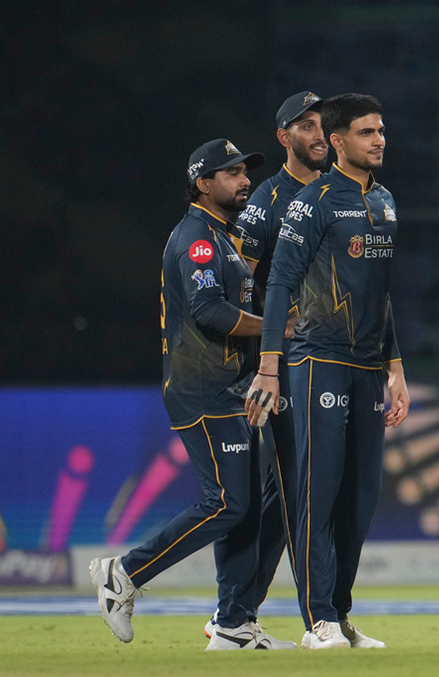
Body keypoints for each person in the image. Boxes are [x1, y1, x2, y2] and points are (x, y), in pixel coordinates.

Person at [89, 139, 297, 650]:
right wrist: (279, 330)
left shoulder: (221, 237)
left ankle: (232, 626)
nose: (244, 180)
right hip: (202, 389)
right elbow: (211, 313)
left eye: (245, 171)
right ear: (203, 184)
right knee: (226, 502)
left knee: (244, 508)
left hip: (230, 388)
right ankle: (124, 572)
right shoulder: (197, 240)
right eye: (231, 173)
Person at [245, 93, 410, 650]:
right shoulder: (310, 202)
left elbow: (382, 294)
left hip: (368, 365)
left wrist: (396, 367)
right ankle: (317, 620)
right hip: (317, 360)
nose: (379, 140)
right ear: (339, 142)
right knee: (317, 490)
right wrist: (269, 367)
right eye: (367, 132)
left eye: (381, 130)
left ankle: (338, 615)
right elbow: (279, 284)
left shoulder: (385, 201)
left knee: (361, 498)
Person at [202, 91, 328, 637]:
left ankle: (237, 612)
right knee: (290, 490)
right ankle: (316, 618)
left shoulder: (340, 193)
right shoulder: (267, 201)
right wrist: (264, 357)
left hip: (334, 359)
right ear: (285, 137)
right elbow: (241, 283)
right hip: (283, 365)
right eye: (305, 124)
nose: (319, 132)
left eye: (323, 123)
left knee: (285, 496)